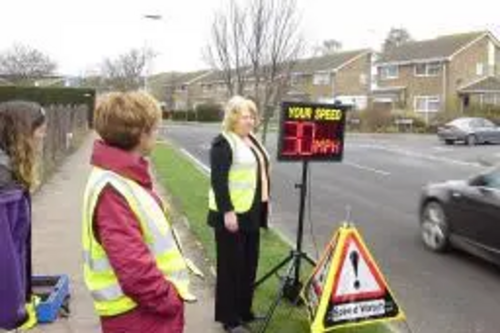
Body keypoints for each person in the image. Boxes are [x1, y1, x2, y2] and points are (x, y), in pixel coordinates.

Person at [81, 91, 196, 333]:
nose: (157, 134)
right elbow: (134, 270)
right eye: (155, 128)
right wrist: (169, 301)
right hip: (139, 316)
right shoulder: (113, 189)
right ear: (139, 133)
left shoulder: (120, 177)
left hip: (142, 312)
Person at [208, 96, 271, 333]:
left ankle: (245, 311)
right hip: (231, 215)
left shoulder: (251, 140)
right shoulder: (223, 142)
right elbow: (218, 181)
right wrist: (228, 212)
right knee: (230, 268)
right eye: (245, 116)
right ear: (233, 117)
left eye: (252, 116)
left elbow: (260, 173)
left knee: (248, 266)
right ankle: (229, 320)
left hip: (252, 212)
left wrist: (264, 203)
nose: (250, 121)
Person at [0, 101, 47, 330]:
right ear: (22, 133)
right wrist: (12, 312)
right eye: (39, 129)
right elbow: (4, 255)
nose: (43, 135)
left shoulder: (10, 171)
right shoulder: (3, 178)